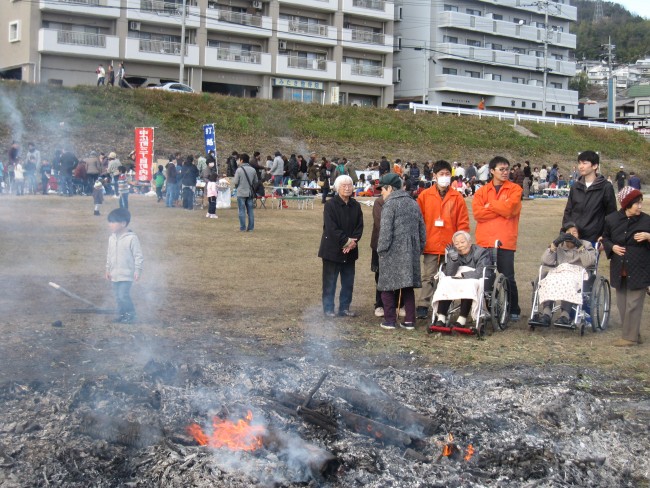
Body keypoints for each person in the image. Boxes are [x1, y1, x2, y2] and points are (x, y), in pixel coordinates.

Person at [415, 160, 470, 319]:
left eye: (447, 174)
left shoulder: (457, 197)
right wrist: (420, 240)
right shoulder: (425, 195)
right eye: (441, 174)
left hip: (450, 247)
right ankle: (423, 305)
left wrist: (461, 243)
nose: (444, 177)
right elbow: (419, 219)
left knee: (448, 278)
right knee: (429, 276)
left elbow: (463, 222)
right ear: (434, 176)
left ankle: (442, 307)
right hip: (431, 244)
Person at [472, 156, 523, 320]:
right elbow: (478, 214)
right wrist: (501, 207)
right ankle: (489, 309)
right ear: (492, 171)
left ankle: (514, 309)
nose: (505, 172)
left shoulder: (515, 189)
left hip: (505, 241)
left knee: (508, 277)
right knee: (486, 277)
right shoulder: (481, 191)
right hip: (485, 241)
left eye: (507, 169)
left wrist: (491, 205)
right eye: (501, 169)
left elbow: (511, 210)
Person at [376, 173, 426, 330]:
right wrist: (419, 248)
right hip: (410, 251)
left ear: (390, 188)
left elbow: (385, 232)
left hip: (392, 251)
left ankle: (390, 320)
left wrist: (381, 250)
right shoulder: (413, 203)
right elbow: (422, 229)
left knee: (385, 286)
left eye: (382, 189)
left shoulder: (390, 205)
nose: (381, 193)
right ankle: (410, 321)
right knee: (407, 286)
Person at [602, 187, 650, 347]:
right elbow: (605, 238)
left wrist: (649, 236)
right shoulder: (611, 219)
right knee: (623, 305)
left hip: (640, 268)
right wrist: (612, 247)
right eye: (637, 203)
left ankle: (629, 339)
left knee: (634, 304)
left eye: (641, 203)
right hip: (619, 268)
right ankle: (634, 333)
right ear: (627, 204)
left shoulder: (647, 220)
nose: (640, 206)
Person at [318, 175, 364, 318]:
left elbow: (359, 227)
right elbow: (331, 228)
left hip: (350, 251)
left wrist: (352, 243)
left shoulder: (356, 205)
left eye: (349, 185)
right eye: (344, 185)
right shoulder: (330, 205)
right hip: (332, 250)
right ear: (337, 188)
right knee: (330, 282)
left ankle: (344, 308)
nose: (347, 188)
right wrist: (346, 241)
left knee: (348, 282)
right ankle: (328, 308)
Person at [536, 222, 597, 326]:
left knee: (569, 282)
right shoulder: (559, 245)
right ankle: (546, 313)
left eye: (574, 233)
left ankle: (565, 315)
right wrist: (554, 244)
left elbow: (589, 262)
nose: (571, 235)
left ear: (579, 235)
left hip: (577, 272)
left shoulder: (586, 245)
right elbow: (546, 261)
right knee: (548, 281)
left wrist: (579, 245)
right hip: (559, 271)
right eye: (568, 233)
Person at [431, 231, 491, 328]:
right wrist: (454, 260)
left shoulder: (480, 252)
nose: (459, 245)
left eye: (462, 242)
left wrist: (464, 275)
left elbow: (482, 271)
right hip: (456, 277)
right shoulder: (453, 252)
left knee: (468, 285)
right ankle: (441, 317)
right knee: (445, 282)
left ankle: (462, 319)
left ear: (469, 242)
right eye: (456, 243)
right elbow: (449, 273)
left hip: (473, 277)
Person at [562, 150, 617, 244]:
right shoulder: (575, 186)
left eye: (584, 163)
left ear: (595, 166)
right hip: (574, 237)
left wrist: (605, 237)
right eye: (579, 163)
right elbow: (568, 211)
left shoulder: (605, 187)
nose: (580, 166)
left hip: (593, 239)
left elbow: (611, 214)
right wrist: (569, 227)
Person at [105, 208, 143, 324]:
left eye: (113, 222)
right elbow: (109, 254)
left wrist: (138, 270)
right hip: (115, 274)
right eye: (109, 222)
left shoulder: (132, 238)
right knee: (117, 296)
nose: (110, 224)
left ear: (123, 223)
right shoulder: (111, 238)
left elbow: (138, 256)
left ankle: (131, 315)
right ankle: (122, 315)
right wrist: (107, 269)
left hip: (126, 274)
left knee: (123, 295)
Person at [232, 153, 258, 232]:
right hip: (249, 192)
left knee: (241, 211)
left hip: (241, 192)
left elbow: (235, 182)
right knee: (250, 211)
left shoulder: (239, 170)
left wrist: (238, 187)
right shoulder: (253, 169)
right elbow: (256, 181)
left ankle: (242, 228)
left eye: (239, 160)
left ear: (241, 160)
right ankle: (251, 228)